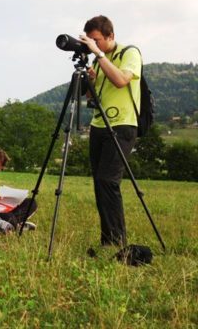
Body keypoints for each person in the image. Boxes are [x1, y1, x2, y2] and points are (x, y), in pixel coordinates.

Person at [79, 15, 142, 246]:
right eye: (90, 41)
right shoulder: (98, 60)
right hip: (98, 125)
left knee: (108, 180)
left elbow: (121, 81)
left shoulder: (129, 53)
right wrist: (91, 82)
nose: (93, 45)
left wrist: (99, 54)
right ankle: (108, 238)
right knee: (99, 182)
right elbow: (89, 96)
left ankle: (116, 240)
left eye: (97, 40)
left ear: (110, 36)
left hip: (123, 124)